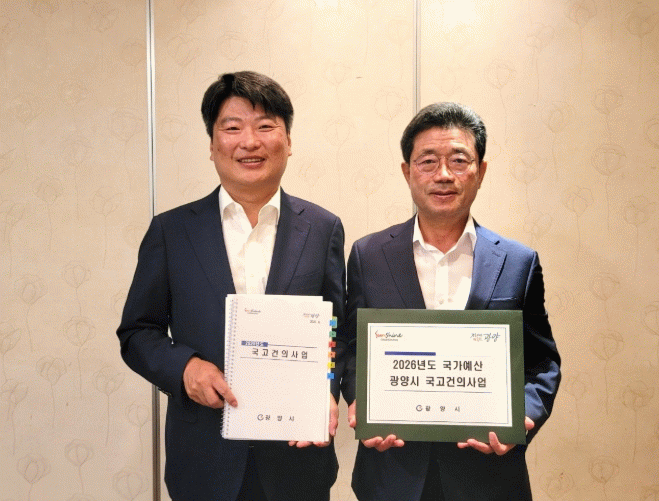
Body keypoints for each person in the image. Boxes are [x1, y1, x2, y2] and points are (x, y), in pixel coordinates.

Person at [117, 71, 346, 501]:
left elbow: (337, 331)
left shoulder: (322, 228)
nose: (250, 142)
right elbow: (137, 332)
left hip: (297, 460)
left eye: (265, 126)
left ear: (288, 140)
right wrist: (185, 368)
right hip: (203, 458)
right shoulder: (172, 231)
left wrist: (327, 391)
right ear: (212, 145)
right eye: (233, 127)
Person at [341, 102, 561, 500]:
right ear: (407, 172)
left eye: (459, 160)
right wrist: (363, 401)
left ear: (481, 171)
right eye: (427, 161)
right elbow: (353, 349)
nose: (443, 174)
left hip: (489, 478)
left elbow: (542, 363)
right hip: (393, 475)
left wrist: (523, 417)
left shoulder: (518, 262)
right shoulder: (368, 255)